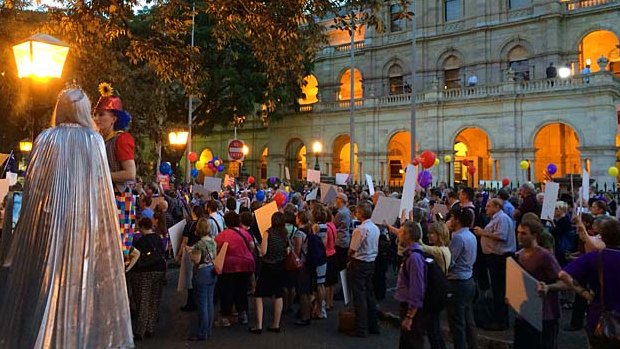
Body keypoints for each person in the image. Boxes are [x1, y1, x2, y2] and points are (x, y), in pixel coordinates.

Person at [0, 88, 133, 348]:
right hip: (83, 224)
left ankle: (46, 336)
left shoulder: (46, 138)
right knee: (79, 281)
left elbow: (34, 186)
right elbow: (100, 186)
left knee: (47, 280)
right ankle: (76, 336)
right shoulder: (94, 140)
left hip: (50, 224)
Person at [557, 218, 620, 348]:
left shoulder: (593, 257)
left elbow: (563, 275)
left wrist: (584, 293)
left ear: (602, 237)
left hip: (599, 317)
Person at [514, 219, 562, 349]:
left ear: (535, 235)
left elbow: (565, 282)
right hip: (524, 313)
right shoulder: (520, 254)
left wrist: (548, 287)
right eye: (518, 232)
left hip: (544, 314)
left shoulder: (545, 256)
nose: (519, 236)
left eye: (524, 233)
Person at [473, 198, 516, 331]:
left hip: (500, 259)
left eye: (488, 206)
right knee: (497, 290)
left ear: (497, 207)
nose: (486, 208)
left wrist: (483, 233)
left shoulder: (502, 219)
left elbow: (501, 236)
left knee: (500, 290)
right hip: (494, 258)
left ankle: (501, 320)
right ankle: (497, 317)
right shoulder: (495, 219)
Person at [92, 82, 136, 193]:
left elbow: (130, 173)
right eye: (95, 114)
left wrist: (100, 176)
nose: (96, 119)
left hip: (118, 199)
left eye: (101, 114)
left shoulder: (121, 139)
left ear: (114, 119)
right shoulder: (96, 140)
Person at [214, 212, 255, 327]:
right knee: (241, 290)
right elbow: (251, 246)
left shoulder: (222, 235)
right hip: (245, 265)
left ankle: (225, 317)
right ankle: (243, 314)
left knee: (227, 291)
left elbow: (215, 249)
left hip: (228, 267)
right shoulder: (245, 233)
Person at [250, 212, 288, 334]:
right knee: (278, 294)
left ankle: (259, 325)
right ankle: (276, 324)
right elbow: (287, 250)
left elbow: (263, 252)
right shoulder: (284, 234)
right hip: (280, 265)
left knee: (259, 294)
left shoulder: (268, 232)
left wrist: (259, 247)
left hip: (268, 266)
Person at [347, 202, 381, 337]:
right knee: (369, 294)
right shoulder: (375, 228)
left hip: (360, 263)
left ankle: (362, 327)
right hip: (371, 262)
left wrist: (348, 257)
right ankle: (373, 324)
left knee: (359, 296)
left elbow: (353, 249)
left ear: (360, 213)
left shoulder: (360, 229)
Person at [446, 207, 478, 349]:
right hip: (468, 279)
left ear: (458, 220)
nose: (450, 220)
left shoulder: (458, 238)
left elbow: (451, 261)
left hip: (458, 281)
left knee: (457, 322)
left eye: (452, 218)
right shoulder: (470, 235)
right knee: (467, 318)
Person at [130, 217, 167, 340]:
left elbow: (135, 256)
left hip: (144, 272)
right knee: (154, 299)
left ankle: (140, 330)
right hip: (159, 270)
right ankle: (150, 328)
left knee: (143, 301)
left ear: (141, 227)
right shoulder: (158, 238)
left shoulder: (141, 241)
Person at [395, 221, 428, 349]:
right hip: (407, 305)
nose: (398, 235)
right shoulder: (410, 254)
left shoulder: (414, 258)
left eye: (401, 232)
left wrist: (410, 316)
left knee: (412, 342)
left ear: (408, 235)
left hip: (411, 309)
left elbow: (417, 287)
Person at [187, 218, 217, 341]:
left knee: (202, 305)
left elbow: (197, 260)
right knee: (210, 303)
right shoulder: (213, 241)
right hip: (212, 271)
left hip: (202, 274)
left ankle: (202, 332)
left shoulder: (199, 244)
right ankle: (208, 329)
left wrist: (190, 253)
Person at [294, 211, 313, 326]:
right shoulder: (310, 230)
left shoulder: (299, 233)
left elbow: (297, 251)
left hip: (302, 264)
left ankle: (305, 316)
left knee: (302, 291)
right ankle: (307, 313)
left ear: (299, 219)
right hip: (310, 263)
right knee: (307, 290)